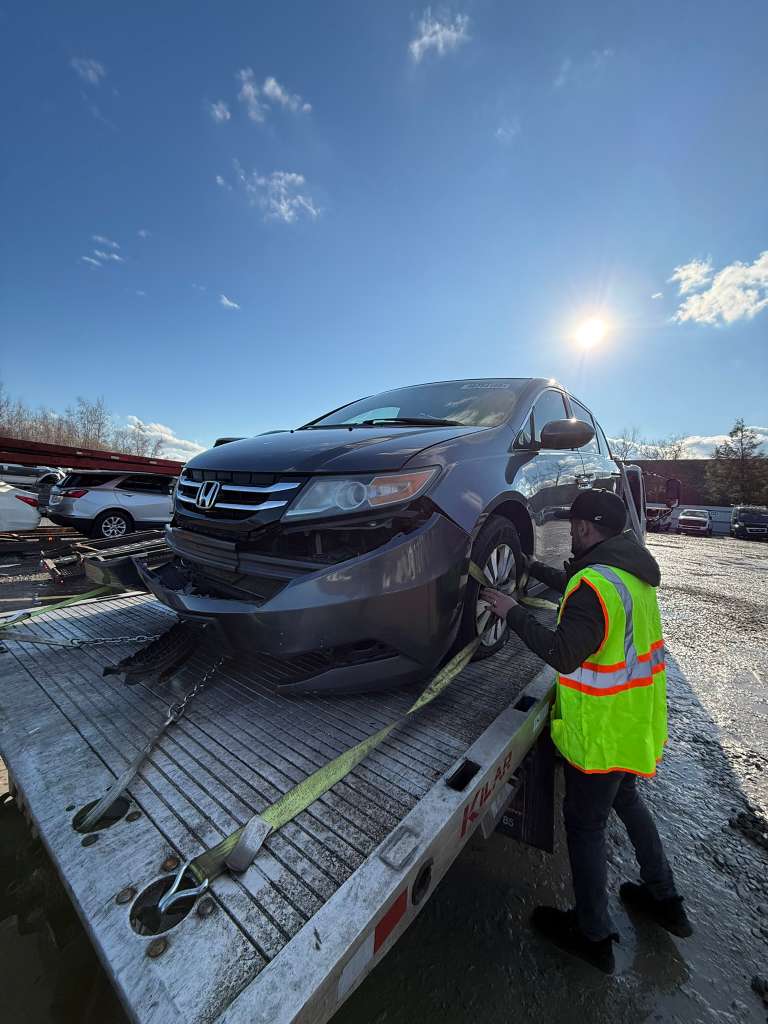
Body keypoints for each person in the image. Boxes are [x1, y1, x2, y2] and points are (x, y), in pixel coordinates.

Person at [481, 489, 692, 974]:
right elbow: (580, 588)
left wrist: (509, 611)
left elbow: (564, 652)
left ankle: (592, 932)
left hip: (600, 733)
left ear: (584, 527)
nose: (571, 530)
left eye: (575, 523)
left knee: (585, 825)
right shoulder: (629, 574)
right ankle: (665, 900)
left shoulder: (595, 586)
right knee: (628, 803)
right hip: (633, 722)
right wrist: (531, 568)